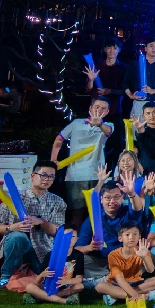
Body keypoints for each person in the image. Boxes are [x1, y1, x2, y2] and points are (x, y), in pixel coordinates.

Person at [0, 160, 66, 290]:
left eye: (51, 176)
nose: (47, 179)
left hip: (43, 248)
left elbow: (58, 231)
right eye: (43, 175)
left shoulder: (58, 202)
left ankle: (28, 276)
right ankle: (5, 278)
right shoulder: (14, 198)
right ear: (32, 176)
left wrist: (42, 222)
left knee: (45, 280)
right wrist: (13, 227)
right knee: (16, 237)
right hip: (18, 245)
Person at [52, 97, 114, 226]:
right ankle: (76, 238)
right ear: (90, 108)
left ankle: (97, 238)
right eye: (97, 107)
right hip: (76, 175)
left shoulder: (108, 125)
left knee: (98, 213)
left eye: (103, 108)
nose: (99, 110)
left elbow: (108, 132)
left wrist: (99, 124)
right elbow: (59, 139)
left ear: (107, 112)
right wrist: (53, 160)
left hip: (97, 175)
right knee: (77, 214)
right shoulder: (76, 123)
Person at [94, 224, 155, 305]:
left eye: (135, 234)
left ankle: (116, 296)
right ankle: (147, 296)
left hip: (136, 282)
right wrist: (136, 296)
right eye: (127, 235)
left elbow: (151, 270)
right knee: (100, 286)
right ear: (120, 238)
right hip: (116, 284)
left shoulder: (142, 250)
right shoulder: (113, 255)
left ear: (139, 237)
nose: (131, 237)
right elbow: (119, 279)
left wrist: (144, 257)